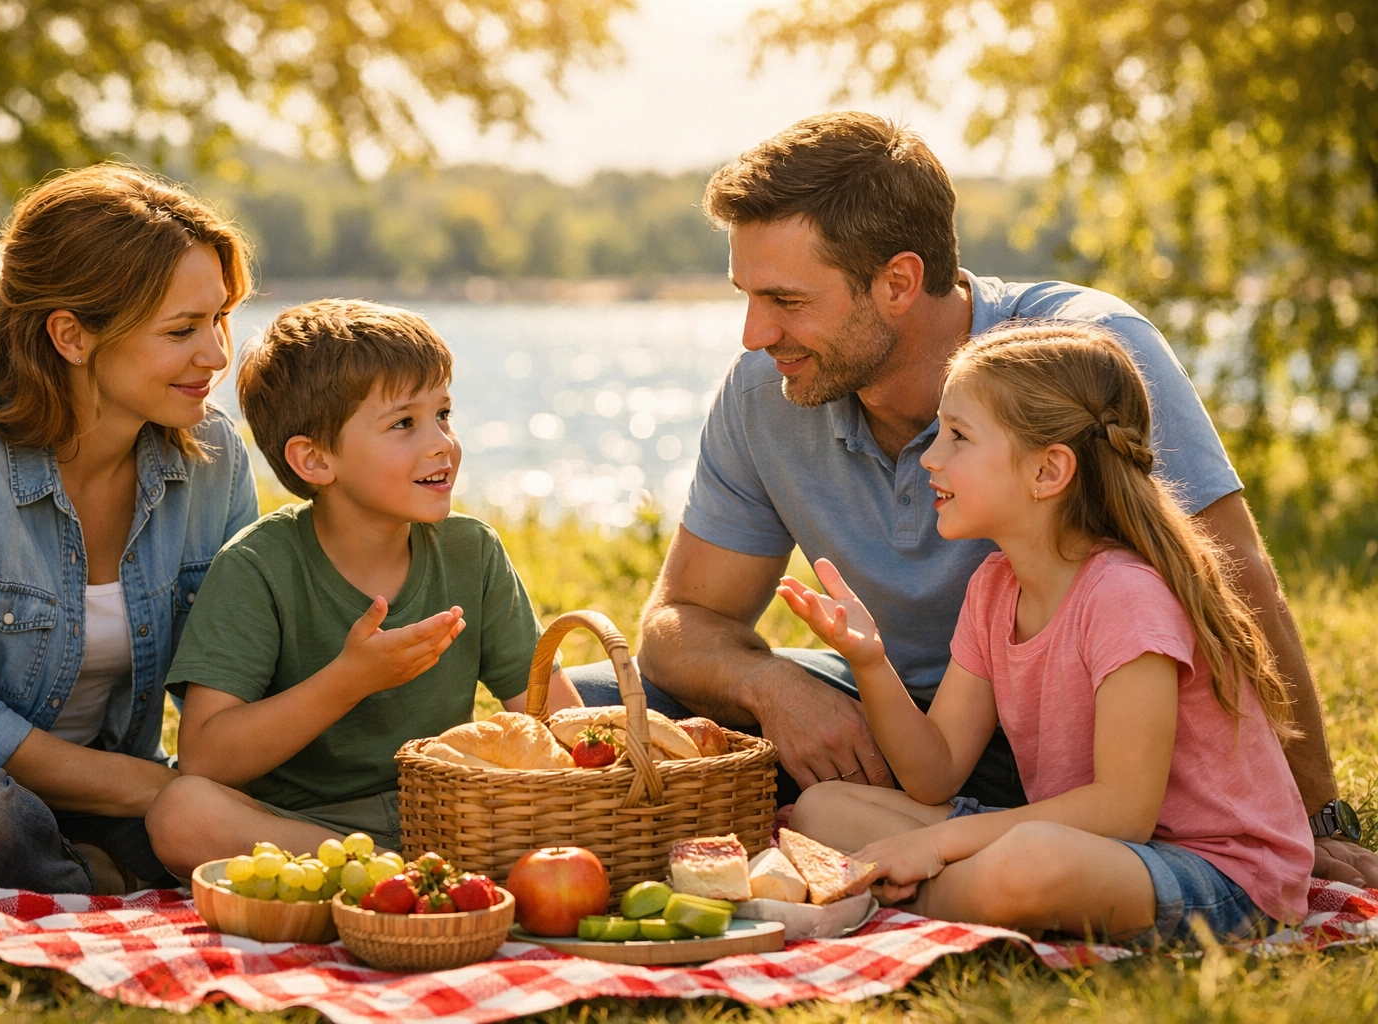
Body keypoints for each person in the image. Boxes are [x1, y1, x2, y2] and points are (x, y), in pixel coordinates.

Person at [569, 110, 1378, 887]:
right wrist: (774, 689)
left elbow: (1234, 580)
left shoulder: (1083, 357)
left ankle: (955, 852)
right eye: (746, 296)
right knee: (593, 708)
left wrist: (1315, 818)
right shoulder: (764, 393)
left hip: (1087, 740)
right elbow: (679, 624)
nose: (754, 334)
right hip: (910, 729)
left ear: (898, 281)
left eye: (787, 301)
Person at [779, 323, 1314, 943]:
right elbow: (936, 774)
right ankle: (937, 890)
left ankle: (892, 894)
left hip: (1217, 872)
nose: (929, 457)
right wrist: (870, 661)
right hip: (1086, 842)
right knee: (823, 809)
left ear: (1048, 471)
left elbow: (1124, 812)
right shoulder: (995, 586)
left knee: (1028, 863)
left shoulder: (1124, 595)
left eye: (958, 436)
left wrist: (938, 844)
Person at [0, 164, 259, 894]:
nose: (217, 355)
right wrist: (164, 794)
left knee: (261, 806)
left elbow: (234, 686)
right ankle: (100, 881)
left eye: (219, 319)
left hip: (107, 786)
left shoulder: (212, 455)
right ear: (71, 335)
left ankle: (81, 875)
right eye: (181, 330)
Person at [145, 300, 580, 875]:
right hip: (303, 829)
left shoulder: (471, 552)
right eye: (403, 423)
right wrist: (349, 680)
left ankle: (410, 874)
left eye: (443, 414)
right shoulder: (257, 566)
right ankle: (391, 870)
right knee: (180, 813)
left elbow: (552, 717)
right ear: (314, 460)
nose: (441, 443)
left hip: (448, 813)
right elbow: (205, 758)